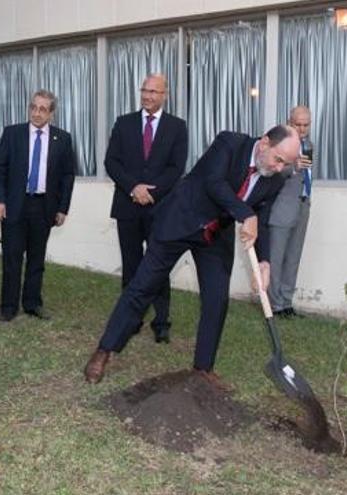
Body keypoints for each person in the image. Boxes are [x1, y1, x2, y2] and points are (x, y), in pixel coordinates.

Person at [84, 126, 301, 386]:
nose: (279, 169)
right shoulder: (230, 143)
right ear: (265, 143)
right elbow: (214, 182)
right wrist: (246, 214)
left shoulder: (275, 179)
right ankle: (104, 350)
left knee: (216, 300)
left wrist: (264, 261)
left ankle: (202, 369)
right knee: (142, 287)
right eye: (278, 160)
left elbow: (262, 220)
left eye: (285, 165)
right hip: (181, 220)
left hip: (215, 236)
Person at [105, 73, 188, 344]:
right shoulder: (124, 123)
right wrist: (134, 188)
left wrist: (151, 192)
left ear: (165, 95)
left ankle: (161, 321)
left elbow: (177, 168)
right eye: (145, 90)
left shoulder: (177, 127)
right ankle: (131, 319)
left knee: (158, 265)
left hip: (160, 209)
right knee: (131, 267)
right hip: (127, 206)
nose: (148, 96)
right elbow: (111, 162)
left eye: (154, 91)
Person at [0, 90, 76, 322]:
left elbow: (68, 176)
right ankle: (8, 307)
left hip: (44, 206)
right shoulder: (12, 134)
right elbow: (0, 170)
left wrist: (62, 208)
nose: (37, 113)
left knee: (37, 259)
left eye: (43, 109)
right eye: (33, 107)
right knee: (12, 257)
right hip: (15, 205)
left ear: (51, 113)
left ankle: (32, 303)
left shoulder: (63, 139)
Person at [268, 106, 314, 318]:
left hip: (303, 205)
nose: (302, 129)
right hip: (282, 208)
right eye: (298, 124)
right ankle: (275, 305)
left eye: (306, 125)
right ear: (289, 122)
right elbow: (268, 173)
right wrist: (293, 167)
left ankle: (286, 302)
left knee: (294, 257)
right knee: (276, 259)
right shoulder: (278, 143)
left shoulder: (310, 146)